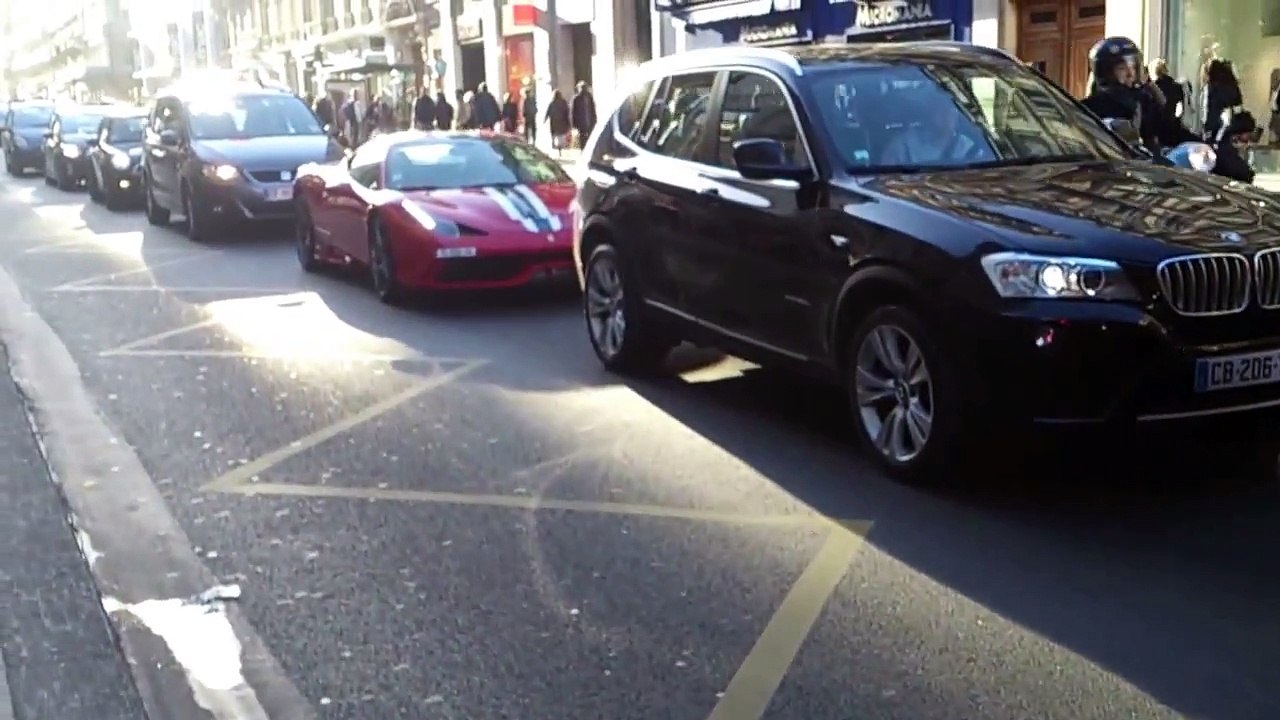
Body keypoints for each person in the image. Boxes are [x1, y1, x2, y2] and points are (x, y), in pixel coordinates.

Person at [544, 89, 571, 155]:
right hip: (562, 121)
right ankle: (560, 147)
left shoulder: (552, 103)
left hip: (554, 122)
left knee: (555, 135)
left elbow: (548, 112)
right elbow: (567, 111)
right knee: (561, 135)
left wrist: (545, 119)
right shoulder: (563, 102)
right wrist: (569, 121)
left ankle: (556, 146)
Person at [570, 82, 596, 150]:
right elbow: (573, 112)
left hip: (590, 120)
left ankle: (589, 149)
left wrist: (594, 119)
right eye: (581, 88)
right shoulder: (576, 99)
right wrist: (573, 123)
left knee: (590, 137)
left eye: (584, 87)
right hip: (581, 122)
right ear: (578, 89)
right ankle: (583, 149)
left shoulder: (589, 97)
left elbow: (593, 108)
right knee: (582, 137)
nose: (583, 89)